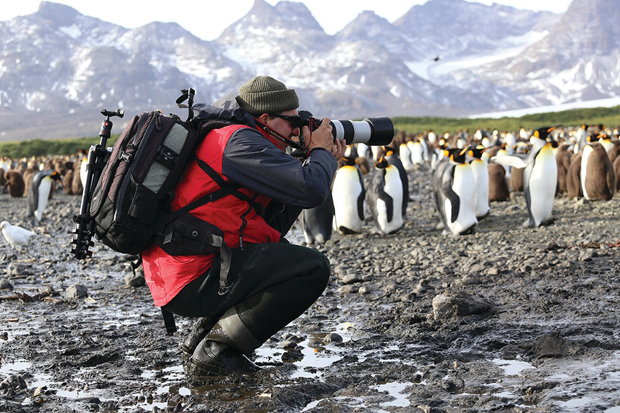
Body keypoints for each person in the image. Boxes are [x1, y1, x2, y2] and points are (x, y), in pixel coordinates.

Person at [141, 75, 345, 377]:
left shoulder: (237, 138)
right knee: (312, 267)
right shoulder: (239, 142)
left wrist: (316, 159)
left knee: (281, 255)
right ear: (265, 118)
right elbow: (311, 189)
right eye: (291, 121)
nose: (298, 128)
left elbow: (271, 226)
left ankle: (199, 340)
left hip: (183, 270)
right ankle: (217, 351)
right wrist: (320, 154)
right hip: (190, 277)